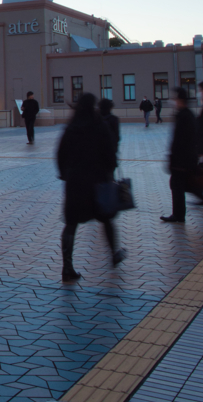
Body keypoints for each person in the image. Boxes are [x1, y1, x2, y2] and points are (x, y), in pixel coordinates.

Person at [56, 93, 125, 283]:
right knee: (106, 218)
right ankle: (114, 254)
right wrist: (110, 171)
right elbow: (110, 154)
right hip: (97, 182)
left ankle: (67, 267)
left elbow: (60, 154)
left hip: (75, 183)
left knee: (71, 223)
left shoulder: (71, 128)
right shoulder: (99, 126)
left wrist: (64, 174)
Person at [161, 87, 200, 223]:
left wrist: (174, 159)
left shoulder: (184, 116)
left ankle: (178, 215)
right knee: (179, 186)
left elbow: (181, 140)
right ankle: (178, 214)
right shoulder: (186, 114)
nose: (173, 101)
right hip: (185, 158)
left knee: (177, 185)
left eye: (175, 99)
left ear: (180, 100)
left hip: (182, 159)